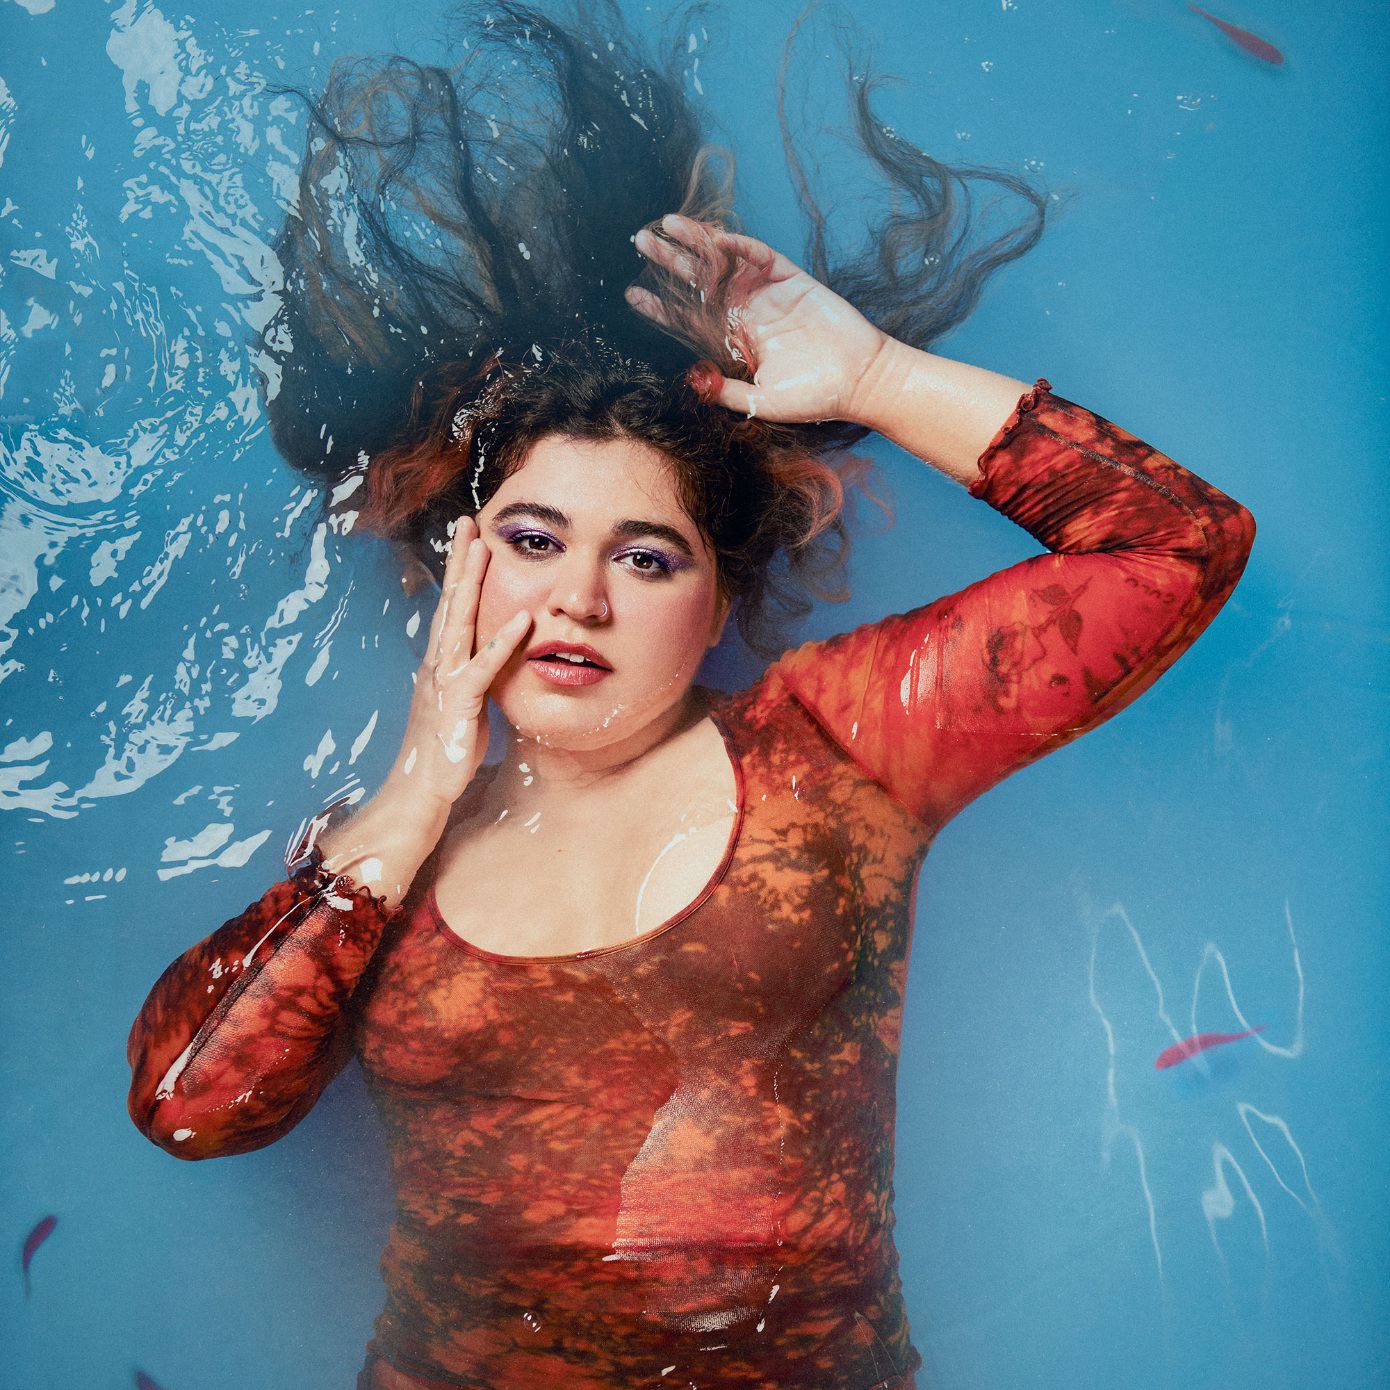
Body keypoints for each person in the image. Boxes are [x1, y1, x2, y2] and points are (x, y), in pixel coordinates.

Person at [125, 6, 1254, 1388]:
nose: (580, 598)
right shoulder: (373, 863)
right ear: (464, 565)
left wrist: (877, 377)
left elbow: (1177, 545)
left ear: (714, 605)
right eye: (535, 540)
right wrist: (417, 787)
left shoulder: (835, 748)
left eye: (643, 557)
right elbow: (189, 1108)